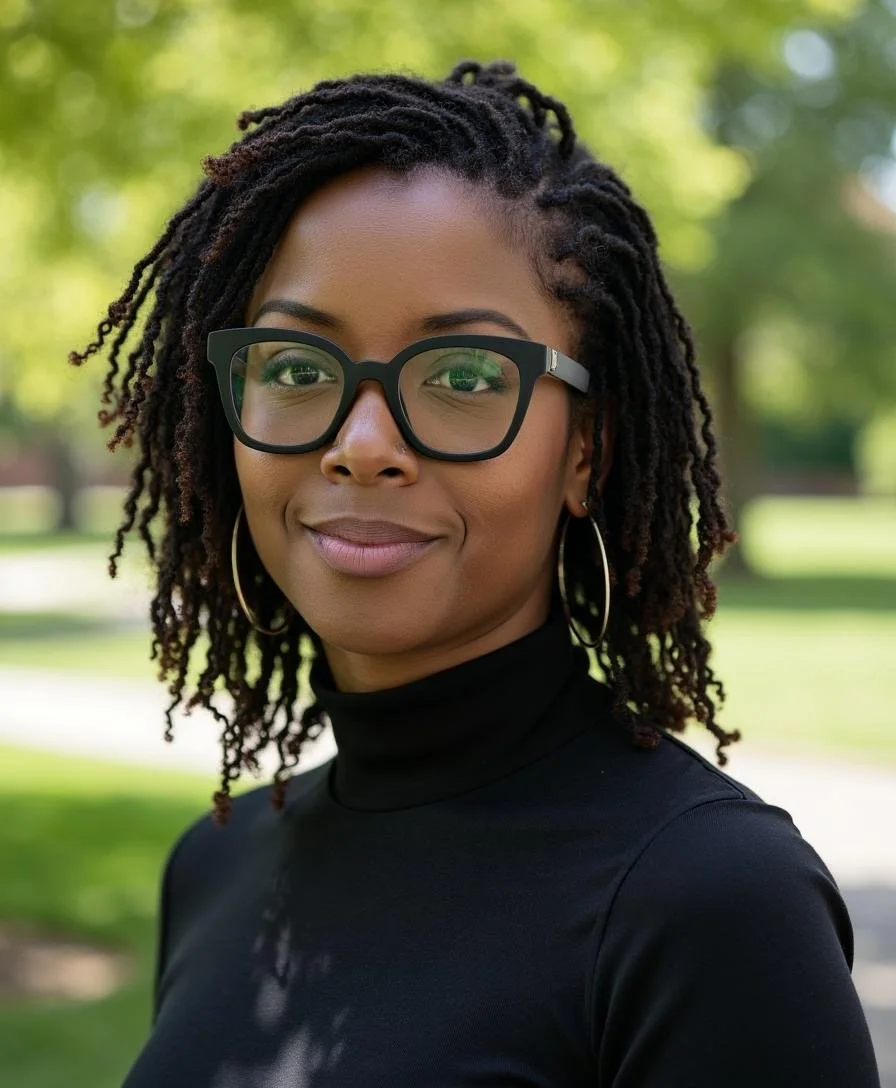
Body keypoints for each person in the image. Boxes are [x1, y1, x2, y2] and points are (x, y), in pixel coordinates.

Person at [72, 61, 880, 1087]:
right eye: (292, 367)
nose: (361, 444)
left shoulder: (707, 901)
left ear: (583, 449)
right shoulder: (217, 862)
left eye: (460, 377)